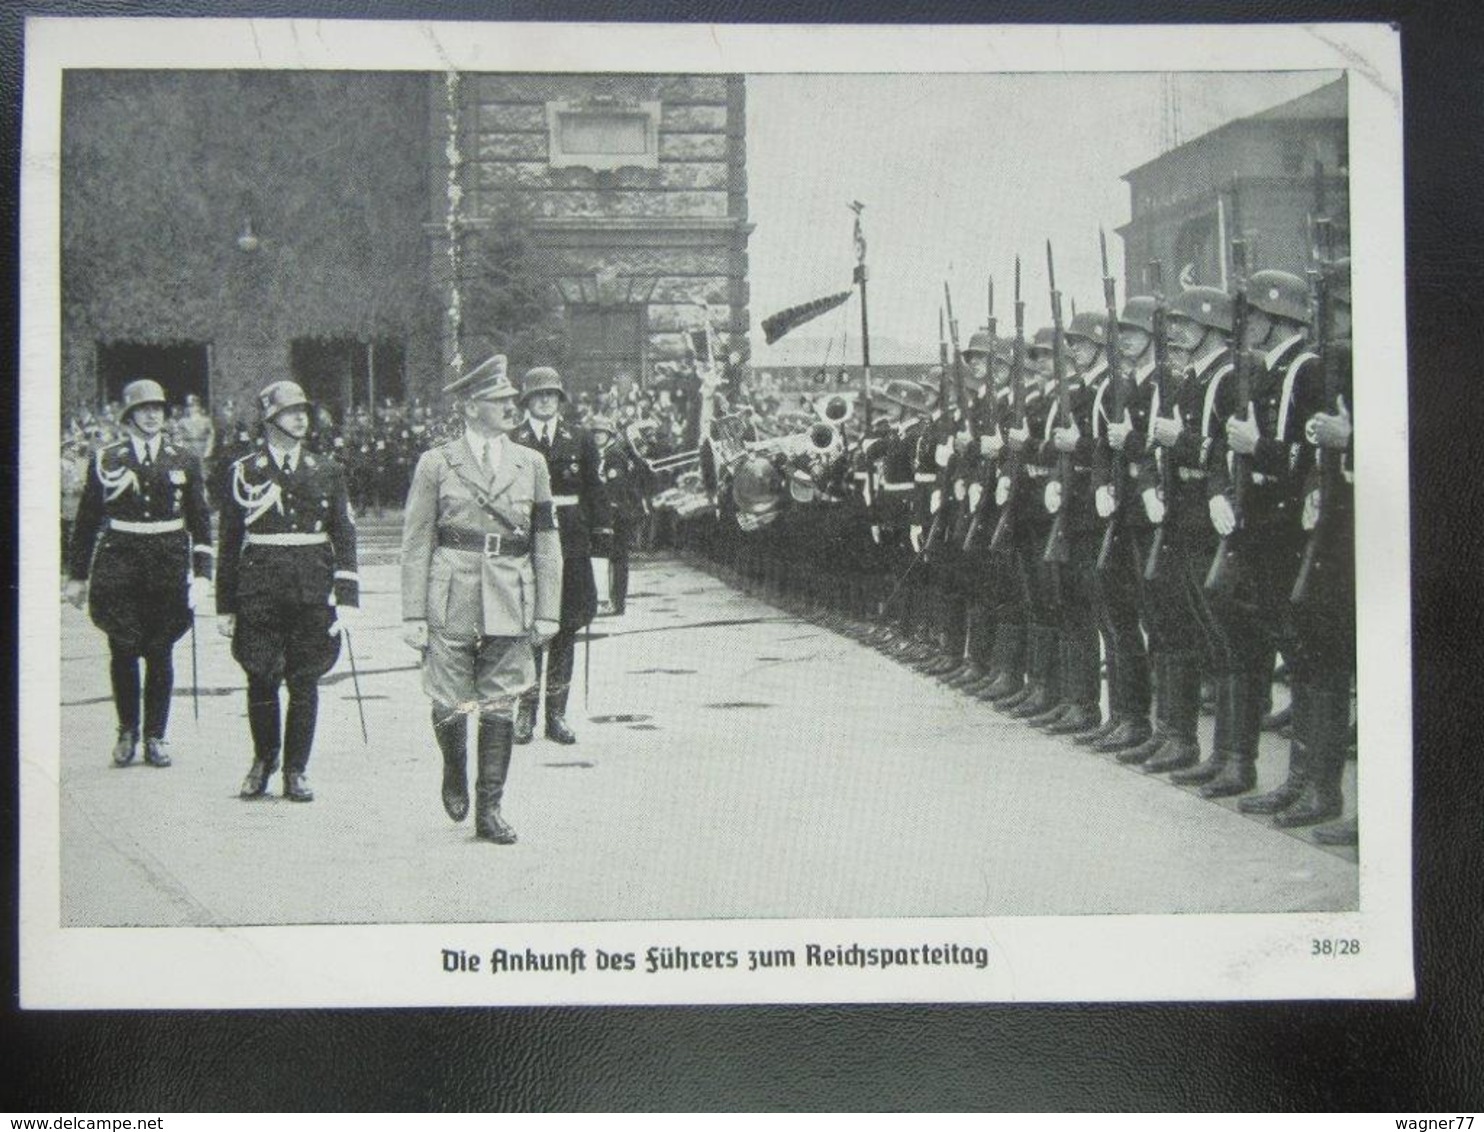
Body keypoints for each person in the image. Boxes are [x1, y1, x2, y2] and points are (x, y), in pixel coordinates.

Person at [400, 356, 562, 843]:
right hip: (452, 593)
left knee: (500, 703)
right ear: (472, 408)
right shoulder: (437, 462)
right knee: (449, 697)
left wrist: (549, 609)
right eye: (499, 400)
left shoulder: (531, 463)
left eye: (512, 399)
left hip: (512, 594)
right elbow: (416, 541)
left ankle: (489, 809)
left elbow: (546, 539)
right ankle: (454, 767)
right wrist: (412, 613)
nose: (511, 406)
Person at [216, 380, 359, 802]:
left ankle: (296, 769)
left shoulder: (327, 470)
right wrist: (225, 605)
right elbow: (228, 541)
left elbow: (345, 536)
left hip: (312, 589)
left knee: (304, 679)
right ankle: (264, 759)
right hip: (259, 590)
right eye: (291, 411)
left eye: (304, 411)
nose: (301, 417)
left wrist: (347, 597)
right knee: (260, 675)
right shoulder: (244, 472)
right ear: (270, 419)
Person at [64, 379, 213, 768]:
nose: (153, 414)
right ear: (130, 416)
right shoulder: (107, 458)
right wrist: (77, 575)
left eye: (158, 409)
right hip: (120, 563)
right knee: (123, 647)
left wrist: (202, 574)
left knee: (161, 650)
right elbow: (87, 521)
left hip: (167, 563)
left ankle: (156, 736)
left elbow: (200, 520)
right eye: (144, 409)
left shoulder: (184, 459)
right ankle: (127, 731)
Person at [509, 366, 613, 745]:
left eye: (552, 394)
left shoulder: (581, 439)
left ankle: (557, 715)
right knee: (530, 629)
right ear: (527, 401)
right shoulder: (513, 440)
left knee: (566, 628)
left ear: (559, 399)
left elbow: (595, 491)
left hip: (571, 542)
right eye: (538, 394)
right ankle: (525, 714)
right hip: (529, 543)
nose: (546, 399)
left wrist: (601, 541)